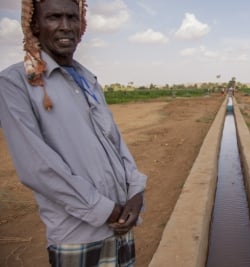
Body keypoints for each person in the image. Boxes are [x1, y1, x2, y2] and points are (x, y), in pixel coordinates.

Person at [0, 0, 147, 266]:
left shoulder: (88, 80)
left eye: (72, 17)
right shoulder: (15, 83)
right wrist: (104, 209)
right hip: (78, 236)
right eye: (54, 17)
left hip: (121, 227)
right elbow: (37, 167)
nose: (66, 27)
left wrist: (135, 192)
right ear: (34, 24)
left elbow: (115, 142)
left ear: (82, 25)